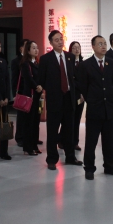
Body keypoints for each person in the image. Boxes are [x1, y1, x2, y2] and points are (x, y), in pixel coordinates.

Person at [78, 36, 113, 180]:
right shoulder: (86, 65)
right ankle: (89, 168)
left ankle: (109, 166)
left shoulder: (112, 63)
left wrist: (112, 99)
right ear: (93, 47)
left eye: (104, 43)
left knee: (109, 141)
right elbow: (83, 86)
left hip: (110, 108)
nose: (103, 46)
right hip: (94, 108)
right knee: (91, 141)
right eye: (99, 44)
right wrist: (92, 99)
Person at [37, 30, 83, 170]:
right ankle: (52, 159)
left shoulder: (70, 57)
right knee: (52, 131)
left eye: (61, 39)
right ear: (51, 43)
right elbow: (41, 80)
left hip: (69, 98)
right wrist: (51, 90)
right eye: (56, 40)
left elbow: (75, 77)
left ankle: (70, 157)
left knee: (69, 130)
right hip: (54, 100)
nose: (59, 42)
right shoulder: (46, 59)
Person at [17, 41, 43, 156]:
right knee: (29, 122)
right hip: (30, 95)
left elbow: (41, 77)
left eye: (37, 48)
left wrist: (41, 86)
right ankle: (27, 147)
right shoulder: (25, 63)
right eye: (33, 48)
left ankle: (34, 145)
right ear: (28, 50)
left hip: (38, 96)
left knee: (36, 122)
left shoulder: (37, 63)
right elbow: (28, 78)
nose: (36, 50)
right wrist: (37, 87)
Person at [10, 38, 29, 147]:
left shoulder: (32, 59)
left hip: (31, 92)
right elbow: (14, 79)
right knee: (21, 117)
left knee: (30, 117)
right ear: (21, 48)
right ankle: (20, 138)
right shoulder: (16, 61)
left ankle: (31, 136)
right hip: (21, 92)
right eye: (26, 46)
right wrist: (14, 94)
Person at [68, 41, 85, 151]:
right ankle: (64, 140)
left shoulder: (84, 63)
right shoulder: (68, 62)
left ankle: (75, 142)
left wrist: (84, 93)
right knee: (69, 120)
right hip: (71, 95)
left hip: (81, 96)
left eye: (78, 47)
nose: (77, 49)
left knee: (77, 119)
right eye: (74, 48)